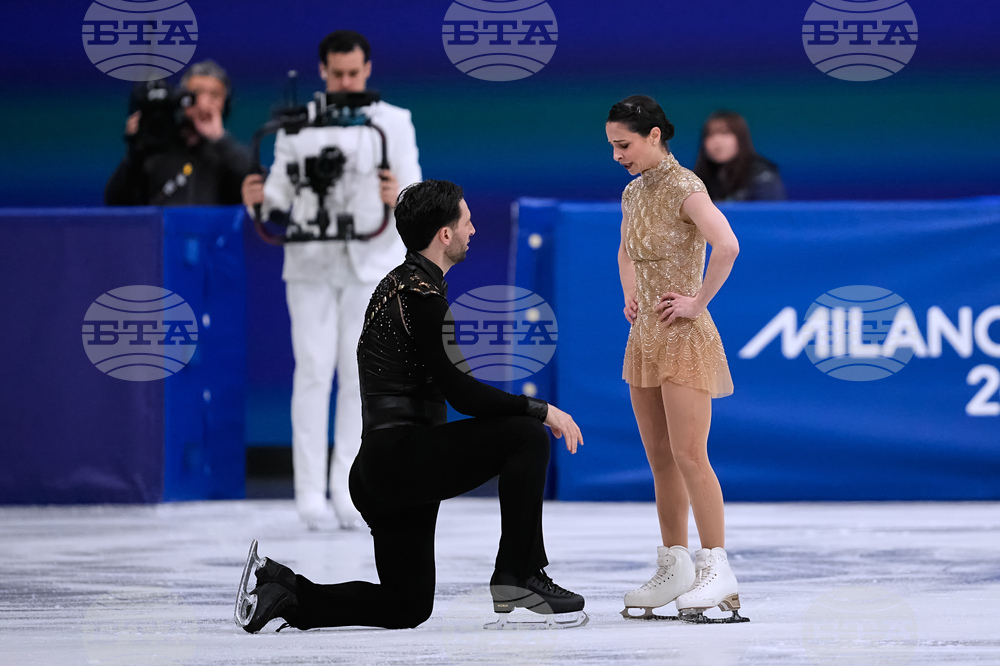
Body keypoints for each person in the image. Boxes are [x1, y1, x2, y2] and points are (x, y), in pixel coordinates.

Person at [234, 179, 587, 633]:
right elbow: (464, 394)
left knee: (407, 606)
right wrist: (540, 409)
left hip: (384, 471)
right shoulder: (421, 300)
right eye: (467, 221)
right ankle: (519, 573)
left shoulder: (398, 286)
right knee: (526, 436)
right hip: (400, 461)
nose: (473, 230)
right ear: (444, 234)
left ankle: (283, 591)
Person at [241, 31, 421, 530]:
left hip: (369, 261)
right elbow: (277, 198)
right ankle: (307, 494)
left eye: (353, 73)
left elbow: (415, 193)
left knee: (358, 376)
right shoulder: (297, 126)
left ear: (368, 68)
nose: (345, 82)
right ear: (322, 71)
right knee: (314, 370)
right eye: (337, 74)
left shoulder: (394, 122)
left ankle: (348, 490)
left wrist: (397, 193)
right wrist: (258, 196)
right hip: (311, 262)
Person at [607, 95, 747, 623]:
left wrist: (696, 302)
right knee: (660, 457)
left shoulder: (687, 187)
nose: (619, 155)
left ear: (654, 137)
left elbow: (728, 245)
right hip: (645, 336)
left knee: (691, 455)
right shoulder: (631, 192)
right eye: (613, 147)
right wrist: (631, 292)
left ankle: (718, 566)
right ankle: (676, 564)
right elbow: (625, 250)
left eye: (625, 145)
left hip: (684, 337)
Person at [105, 60, 253, 205]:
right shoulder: (156, 150)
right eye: (196, 94)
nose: (203, 104)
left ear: (225, 104)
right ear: (181, 99)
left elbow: (255, 187)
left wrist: (220, 139)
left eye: (214, 95)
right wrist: (134, 151)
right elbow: (116, 202)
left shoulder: (228, 156)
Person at [693, 110, 787, 202]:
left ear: (741, 139)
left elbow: (769, 215)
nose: (716, 140)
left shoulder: (762, 175)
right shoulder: (697, 180)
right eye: (710, 134)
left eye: (724, 133)